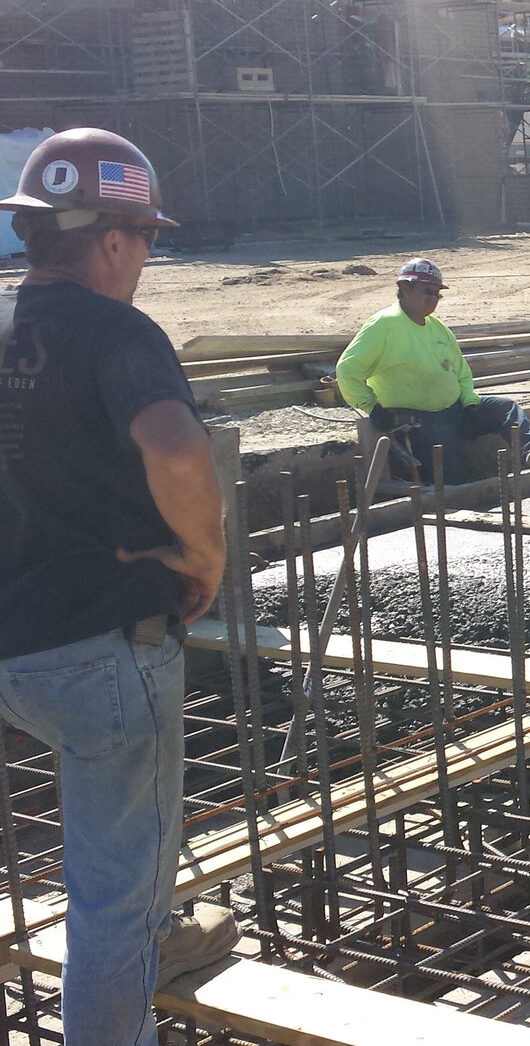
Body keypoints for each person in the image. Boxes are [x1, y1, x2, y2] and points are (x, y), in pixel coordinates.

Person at [0, 127, 239, 1045]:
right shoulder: (119, 332)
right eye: (145, 239)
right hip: (102, 648)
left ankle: (150, 951)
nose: (144, 259)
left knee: (108, 865)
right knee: (113, 897)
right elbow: (177, 447)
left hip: (12, 648)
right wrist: (205, 557)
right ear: (109, 239)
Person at [334, 258, 530, 484]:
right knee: (453, 481)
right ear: (405, 287)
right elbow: (347, 370)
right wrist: (372, 408)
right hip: (420, 422)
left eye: (437, 294)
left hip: (455, 411)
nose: (433, 299)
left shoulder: (438, 328)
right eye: (427, 291)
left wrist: (470, 401)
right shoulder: (383, 325)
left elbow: (461, 372)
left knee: (505, 408)